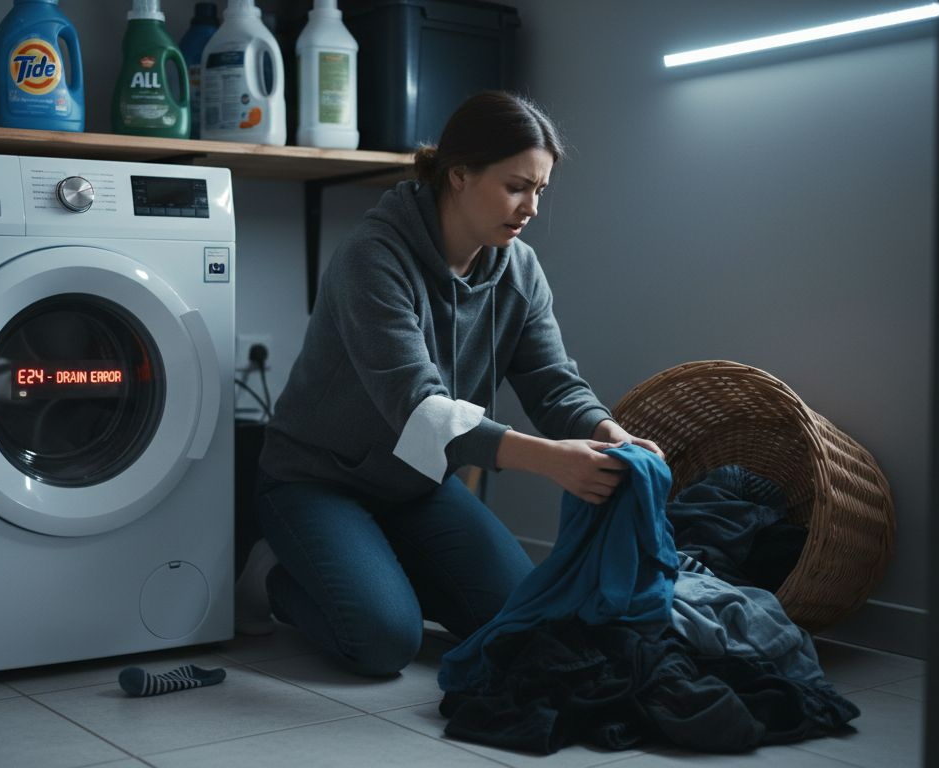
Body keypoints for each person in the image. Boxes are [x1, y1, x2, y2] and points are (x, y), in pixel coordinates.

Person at [254, 91, 664, 677]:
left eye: (540, 190)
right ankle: (273, 576)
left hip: (417, 486)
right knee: (382, 641)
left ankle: (375, 565)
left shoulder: (517, 268)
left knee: (523, 624)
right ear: (460, 175)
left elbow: (552, 384)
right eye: (516, 186)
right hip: (318, 482)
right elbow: (419, 408)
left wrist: (610, 433)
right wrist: (551, 460)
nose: (531, 208)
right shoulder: (373, 258)